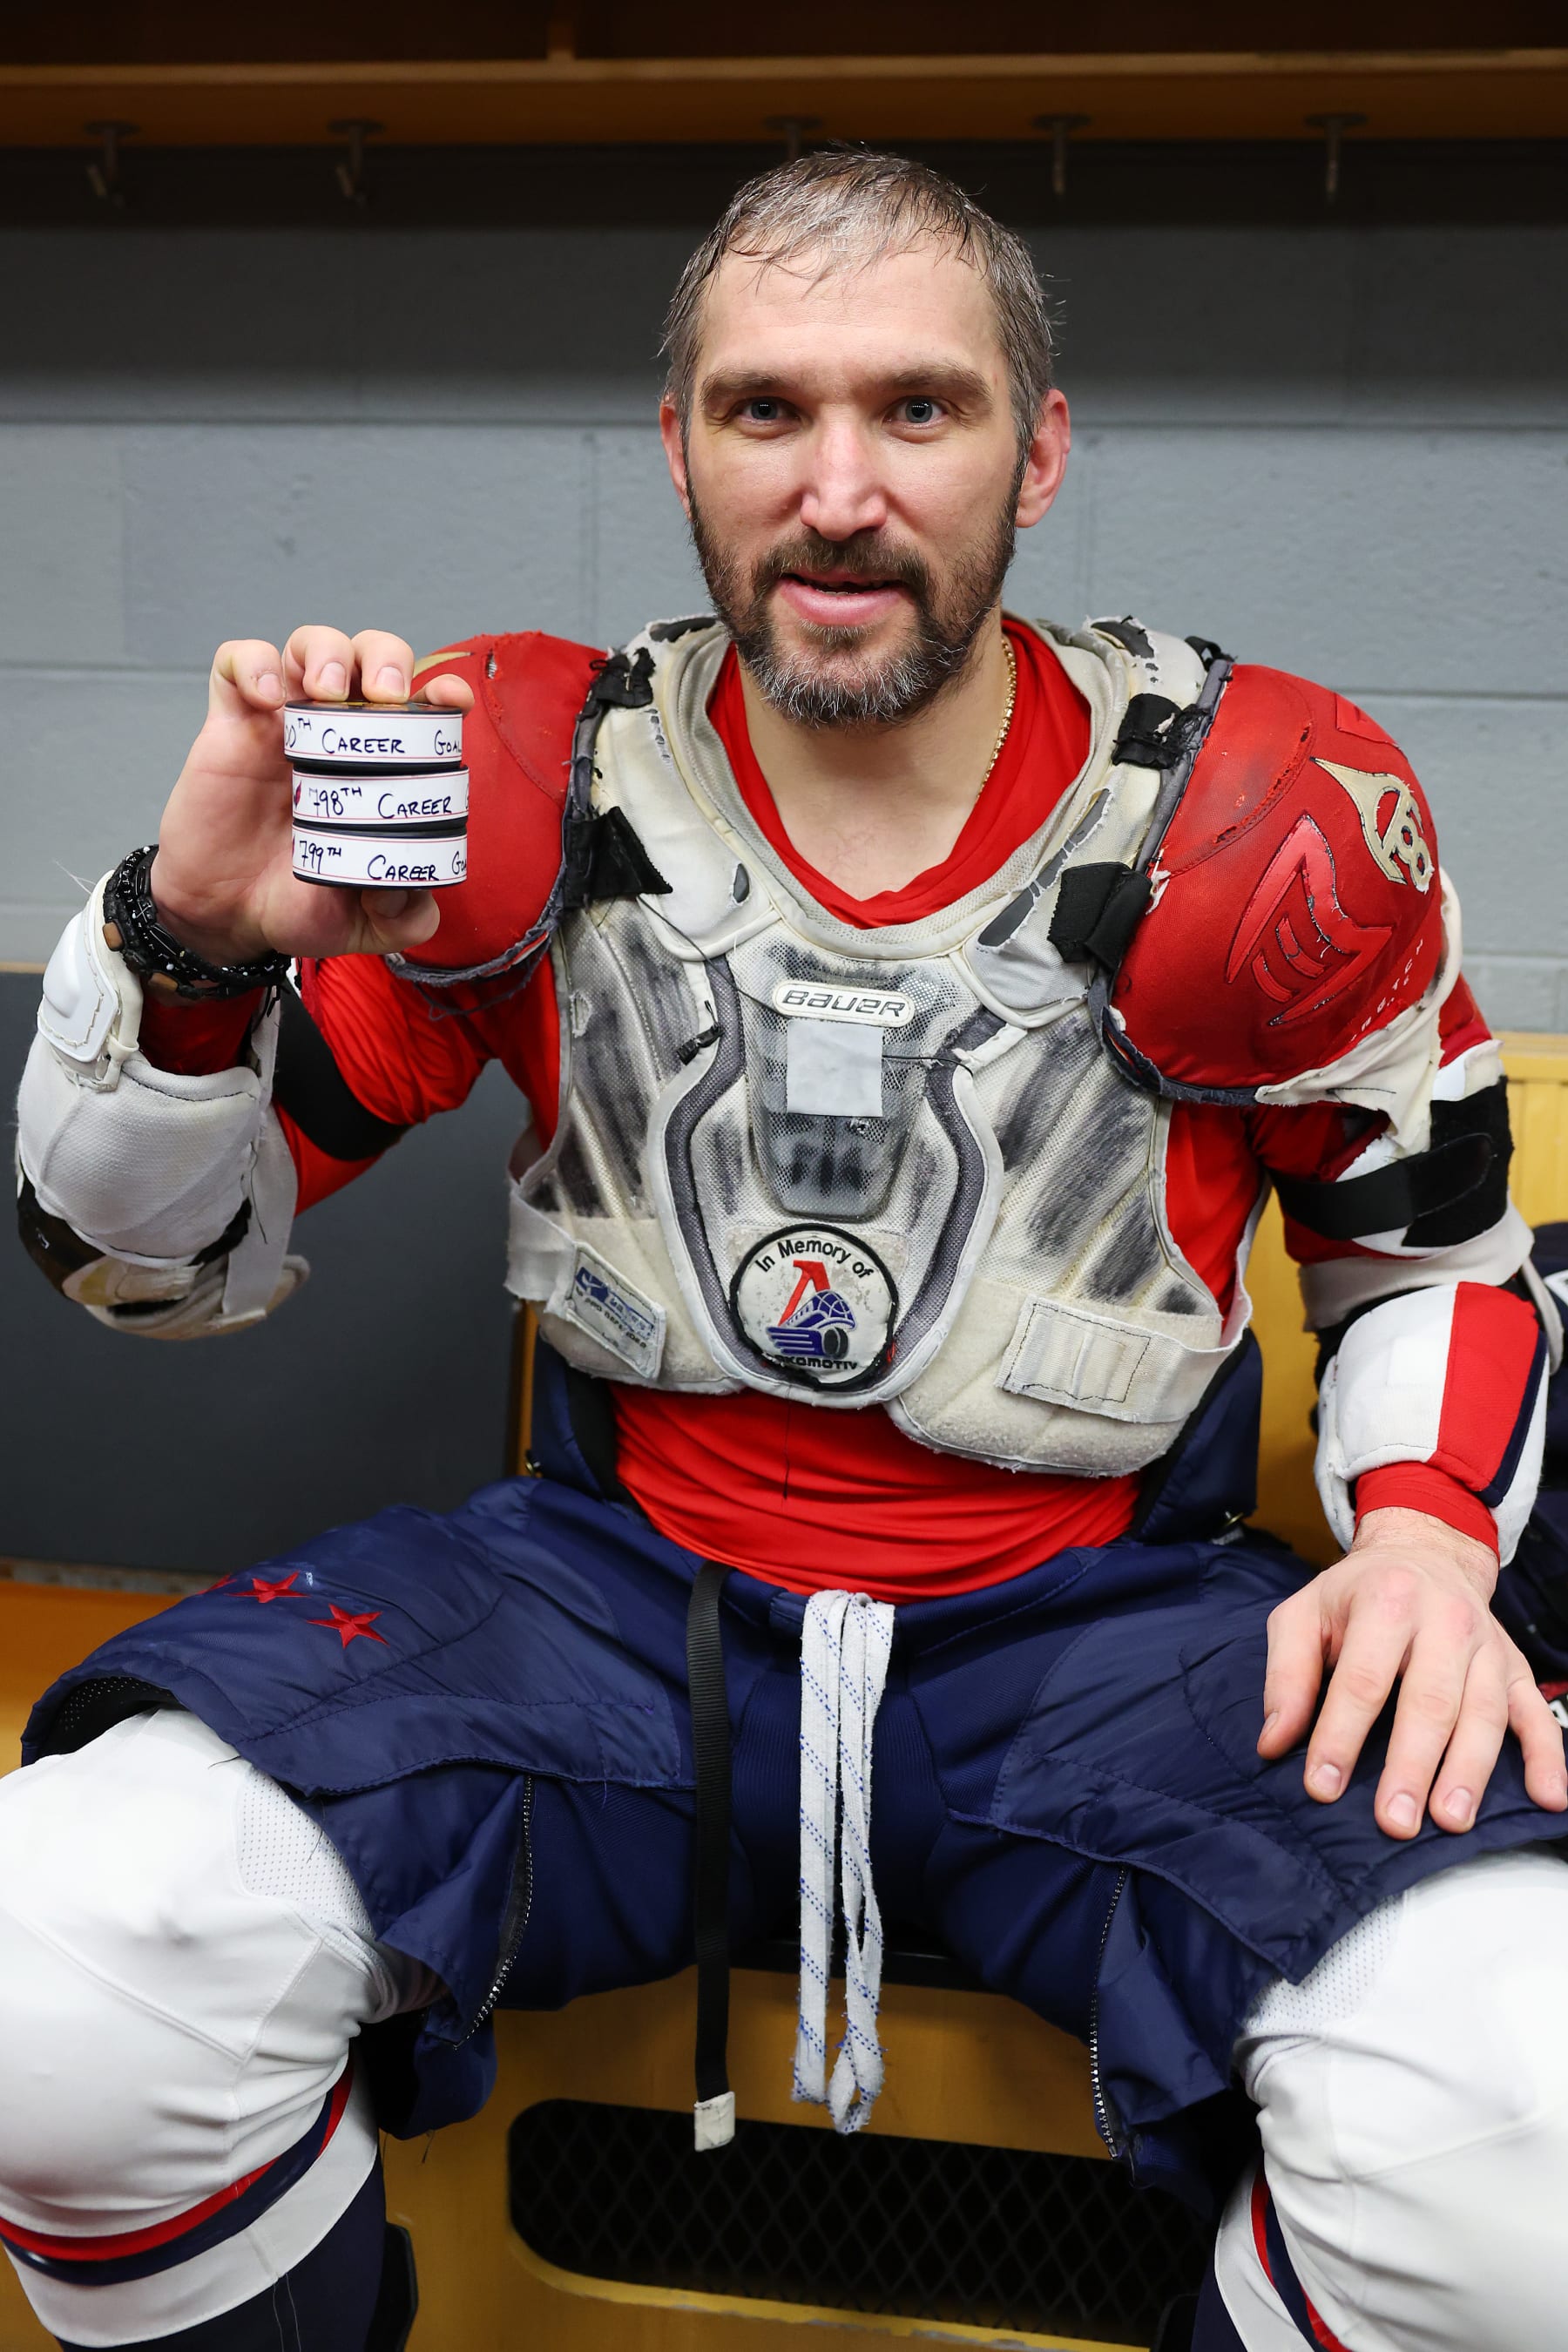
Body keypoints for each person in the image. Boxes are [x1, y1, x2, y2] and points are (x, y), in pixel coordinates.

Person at [7, 148, 1567, 2352]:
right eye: (765, 412)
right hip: (622, 1604)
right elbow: (138, 1267)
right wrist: (190, 940)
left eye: (917, 410)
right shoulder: (520, 774)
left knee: (1527, 2149)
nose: (839, 490)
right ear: (681, 449)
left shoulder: (1263, 815)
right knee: (48, 1976)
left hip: (1104, 1627)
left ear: (1039, 446)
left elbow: (1432, 1265)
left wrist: (1418, 1549)